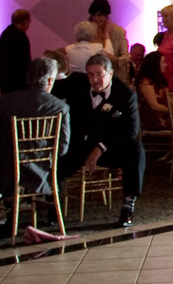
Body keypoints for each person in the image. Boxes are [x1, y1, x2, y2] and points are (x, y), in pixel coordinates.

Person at [54, 52, 144, 226]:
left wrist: (101, 147)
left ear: (110, 74)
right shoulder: (77, 83)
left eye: (99, 74)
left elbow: (131, 131)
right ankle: (53, 205)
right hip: (80, 144)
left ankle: (128, 205)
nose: (94, 79)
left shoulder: (124, 94)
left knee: (136, 150)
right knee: (58, 156)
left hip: (109, 147)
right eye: (91, 75)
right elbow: (48, 88)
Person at [0, 57, 71, 201]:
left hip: (5, 173)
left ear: (28, 77)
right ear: (49, 81)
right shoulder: (60, 107)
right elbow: (62, 148)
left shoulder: (7, 101)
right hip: (41, 173)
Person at [0, 9, 33, 93]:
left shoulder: (5, 33)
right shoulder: (21, 36)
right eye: (28, 22)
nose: (28, 26)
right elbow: (25, 59)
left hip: (4, 78)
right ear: (24, 22)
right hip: (18, 79)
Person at [135, 51, 169, 131]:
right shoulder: (146, 83)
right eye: (163, 62)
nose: (166, 65)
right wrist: (171, 111)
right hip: (153, 122)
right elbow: (154, 106)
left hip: (164, 118)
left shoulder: (158, 82)